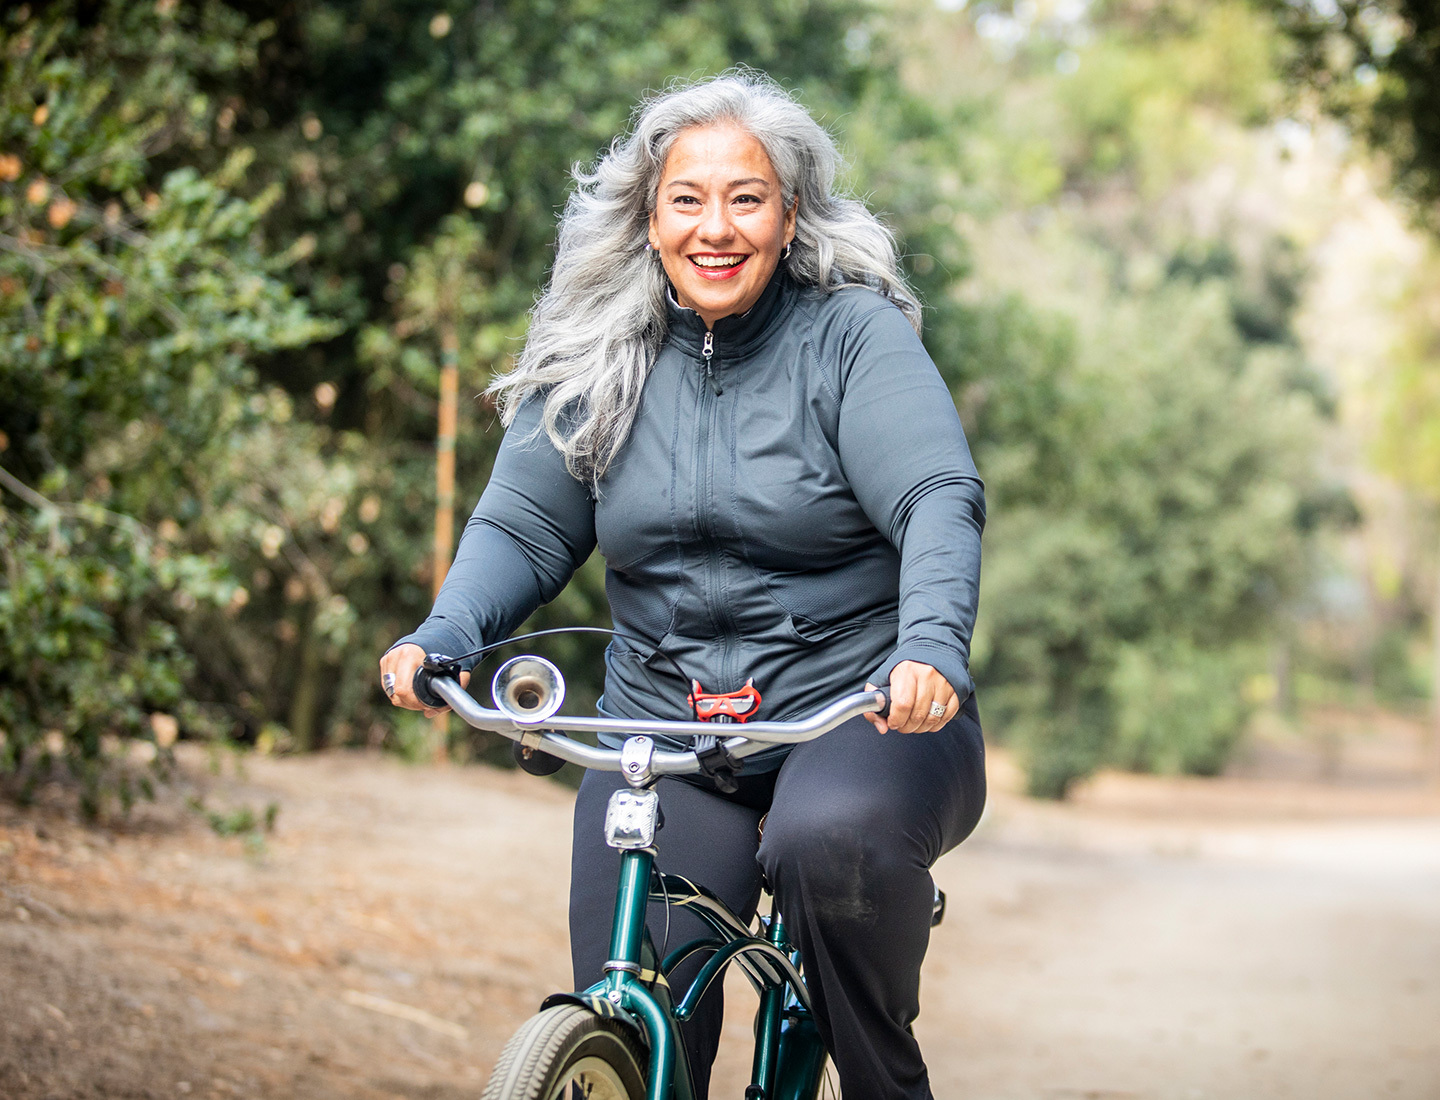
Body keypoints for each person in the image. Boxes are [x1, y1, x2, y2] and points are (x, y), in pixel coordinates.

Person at [380, 70, 986, 1100]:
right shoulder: (598, 352)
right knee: (640, 974)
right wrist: (445, 632)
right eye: (688, 199)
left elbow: (936, 492)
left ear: (789, 216)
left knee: (825, 843)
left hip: (860, 712)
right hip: (662, 730)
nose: (717, 226)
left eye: (746, 197)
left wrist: (928, 644)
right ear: (649, 217)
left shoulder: (852, 337)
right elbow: (525, 523)